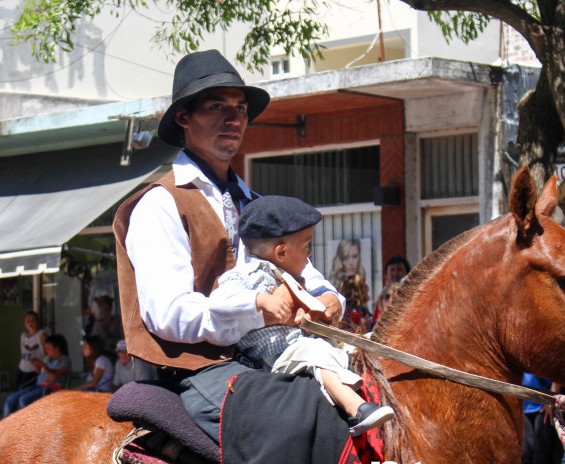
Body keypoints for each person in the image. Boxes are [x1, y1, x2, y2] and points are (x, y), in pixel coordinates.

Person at [114, 49, 344, 441]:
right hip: (191, 371)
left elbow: (303, 270)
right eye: (217, 106)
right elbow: (168, 314)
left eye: (239, 108)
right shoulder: (160, 203)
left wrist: (327, 296)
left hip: (264, 356)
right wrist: (260, 312)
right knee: (295, 423)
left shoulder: (253, 203)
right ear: (184, 118)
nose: (233, 118)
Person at [210, 195, 394, 435]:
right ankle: (356, 408)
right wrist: (261, 301)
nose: (309, 254)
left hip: (298, 345)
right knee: (314, 352)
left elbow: (330, 294)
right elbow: (217, 302)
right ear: (282, 251)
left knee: (354, 344)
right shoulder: (248, 275)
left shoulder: (294, 274)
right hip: (270, 355)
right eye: (307, 246)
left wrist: (327, 304)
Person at [3, 334, 71, 416]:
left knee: (24, 400)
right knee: (11, 399)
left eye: (48, 348)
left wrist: (43, 365)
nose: (46, 351)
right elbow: (41, 374)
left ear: (57, 347)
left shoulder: (64, 360)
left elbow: (54, 377)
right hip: (39, 386)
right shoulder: (48, 359)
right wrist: (36, 366)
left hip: (50, 389)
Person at [16, 311, 47, 390]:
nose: (30, 323)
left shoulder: (41, 334)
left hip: (34, 369)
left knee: (26, 389)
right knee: (18, 389)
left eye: (33, 320)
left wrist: (42, 368)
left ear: (37, 322)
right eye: (28, 320)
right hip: (22, 367)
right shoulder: (23, 336)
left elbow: (47, 353)